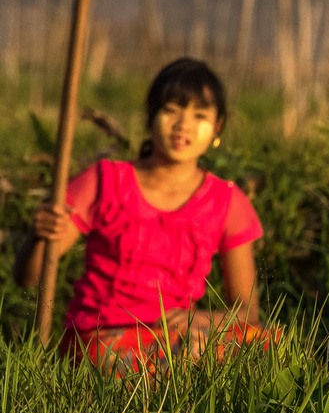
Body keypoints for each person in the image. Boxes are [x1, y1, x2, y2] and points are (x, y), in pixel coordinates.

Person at [15, 58, 266, 375]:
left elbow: (247, 312)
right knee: (174, 366)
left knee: (262, 350)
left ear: (217, 128)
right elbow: (30, 277)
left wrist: (206, 318)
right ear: (150, 116)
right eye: (172, 110)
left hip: (179, 337)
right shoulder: (104, 182)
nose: (183, 125)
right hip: (103, 336)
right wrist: (39, 236)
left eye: (199, 115)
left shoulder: (228, 202)